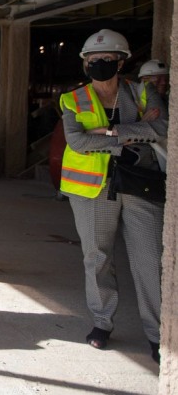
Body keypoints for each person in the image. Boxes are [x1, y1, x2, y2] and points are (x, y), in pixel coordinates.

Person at [59, 28, 166, 363]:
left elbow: (162, 129)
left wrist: (109, 132)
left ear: (121, 61)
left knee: (149, 260)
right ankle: (102, 323)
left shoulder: (142, 92)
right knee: (98, 257)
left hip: (139, 184)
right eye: (92, 60)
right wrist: (134, 133)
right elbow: (77, 142)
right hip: (93, 190)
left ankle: (159, 335)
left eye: (106, 59)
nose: (99, 64)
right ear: (84, 64)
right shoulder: (72, 99)